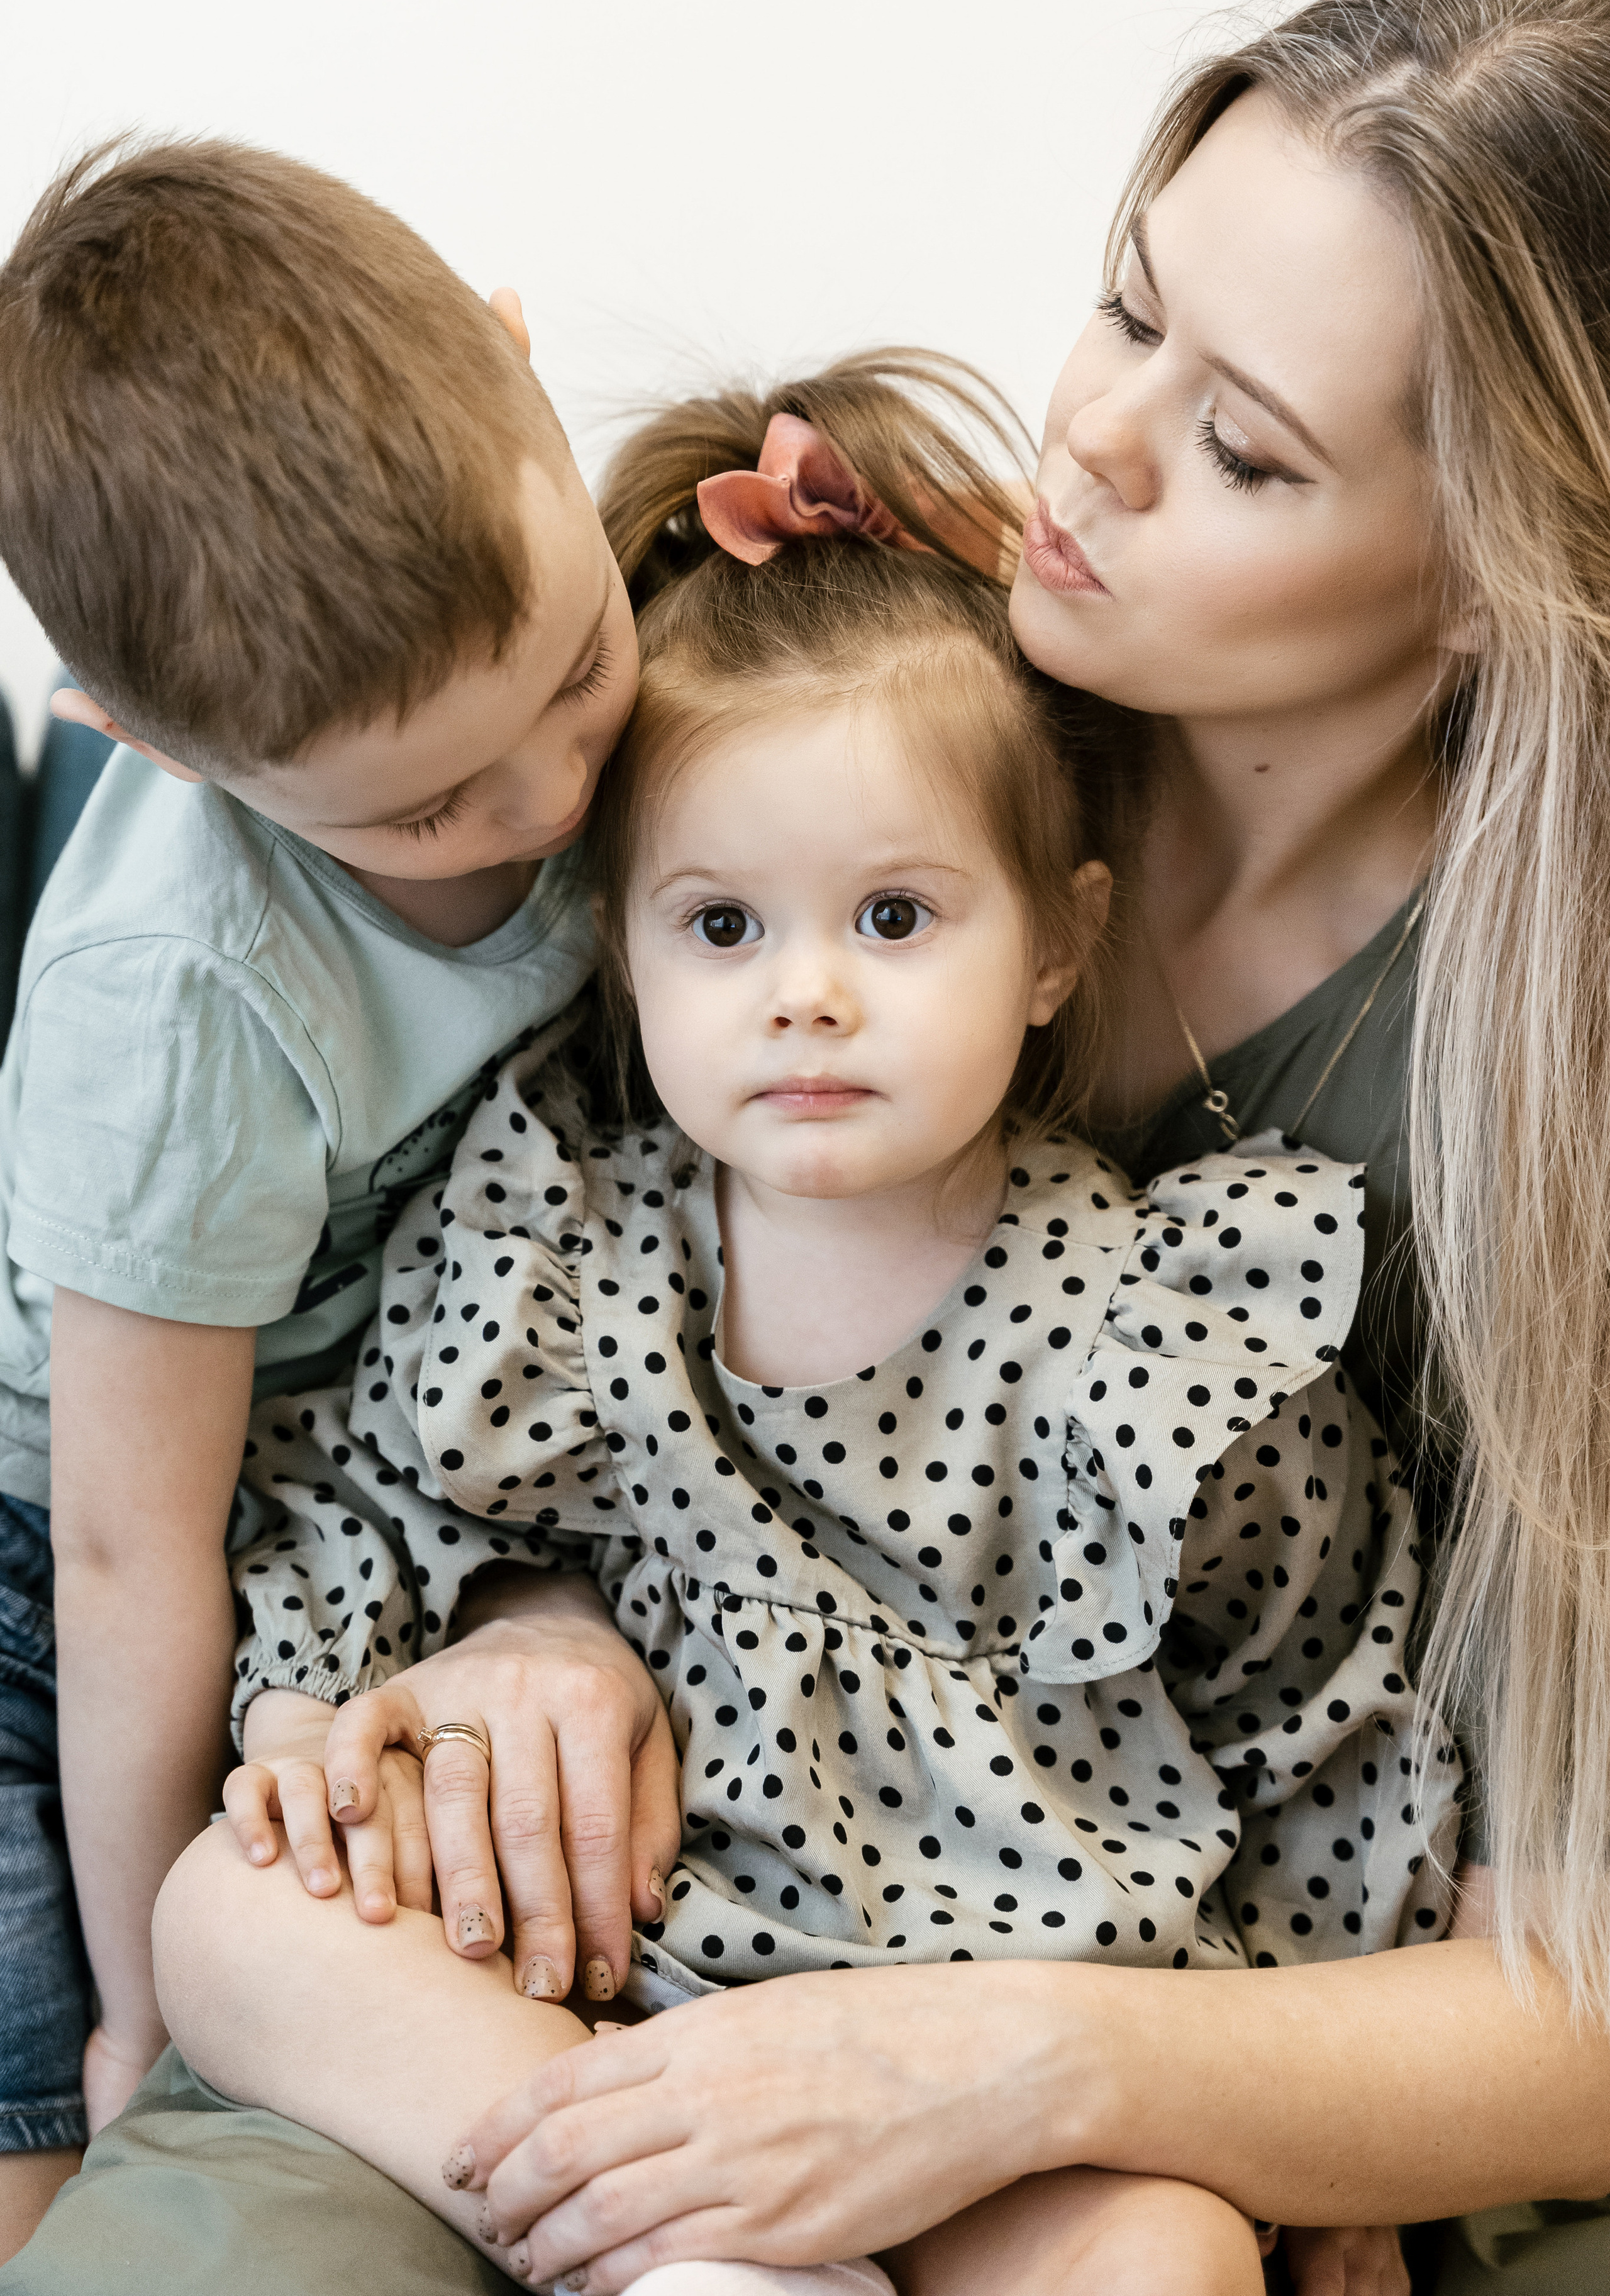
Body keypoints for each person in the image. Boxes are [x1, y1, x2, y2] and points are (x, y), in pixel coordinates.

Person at [16, 0, 1610, 2296]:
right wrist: (535, 1618)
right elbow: (454, 1335)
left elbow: (1522, 1933)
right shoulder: (839, 665)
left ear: (1494, 575)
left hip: (1086, 1982)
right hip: (557, 1893)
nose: (1092, 443)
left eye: (1247, 449)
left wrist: (1020, 2064)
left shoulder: (1527, 1079)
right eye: (1125, 307)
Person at [151, 359, 1454, 2296]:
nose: (809, 997)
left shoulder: (1168, 1334)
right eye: (724, 928)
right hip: (603, 1991)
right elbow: (358, 1501)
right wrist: (306, 1724)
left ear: (1058, 943)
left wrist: (1343, 2159)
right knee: (227, 1916)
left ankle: (666, 2243)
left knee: (1167, 2256)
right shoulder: (563, 1246)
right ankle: (691, 2252)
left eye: (896, 920)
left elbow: (1326, 1721)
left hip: (1002, 2057)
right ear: (623, 950)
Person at [0, 137, 674, 2263]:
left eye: (578, 674)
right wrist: (144, 2003)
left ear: (523, 367)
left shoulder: (593, 587)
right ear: (151, 747)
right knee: (55, 2144)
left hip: (380, 1481)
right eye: (430, 809)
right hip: (59, 1568)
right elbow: (127, 1552)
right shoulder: (180, 998)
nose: (553, 803)